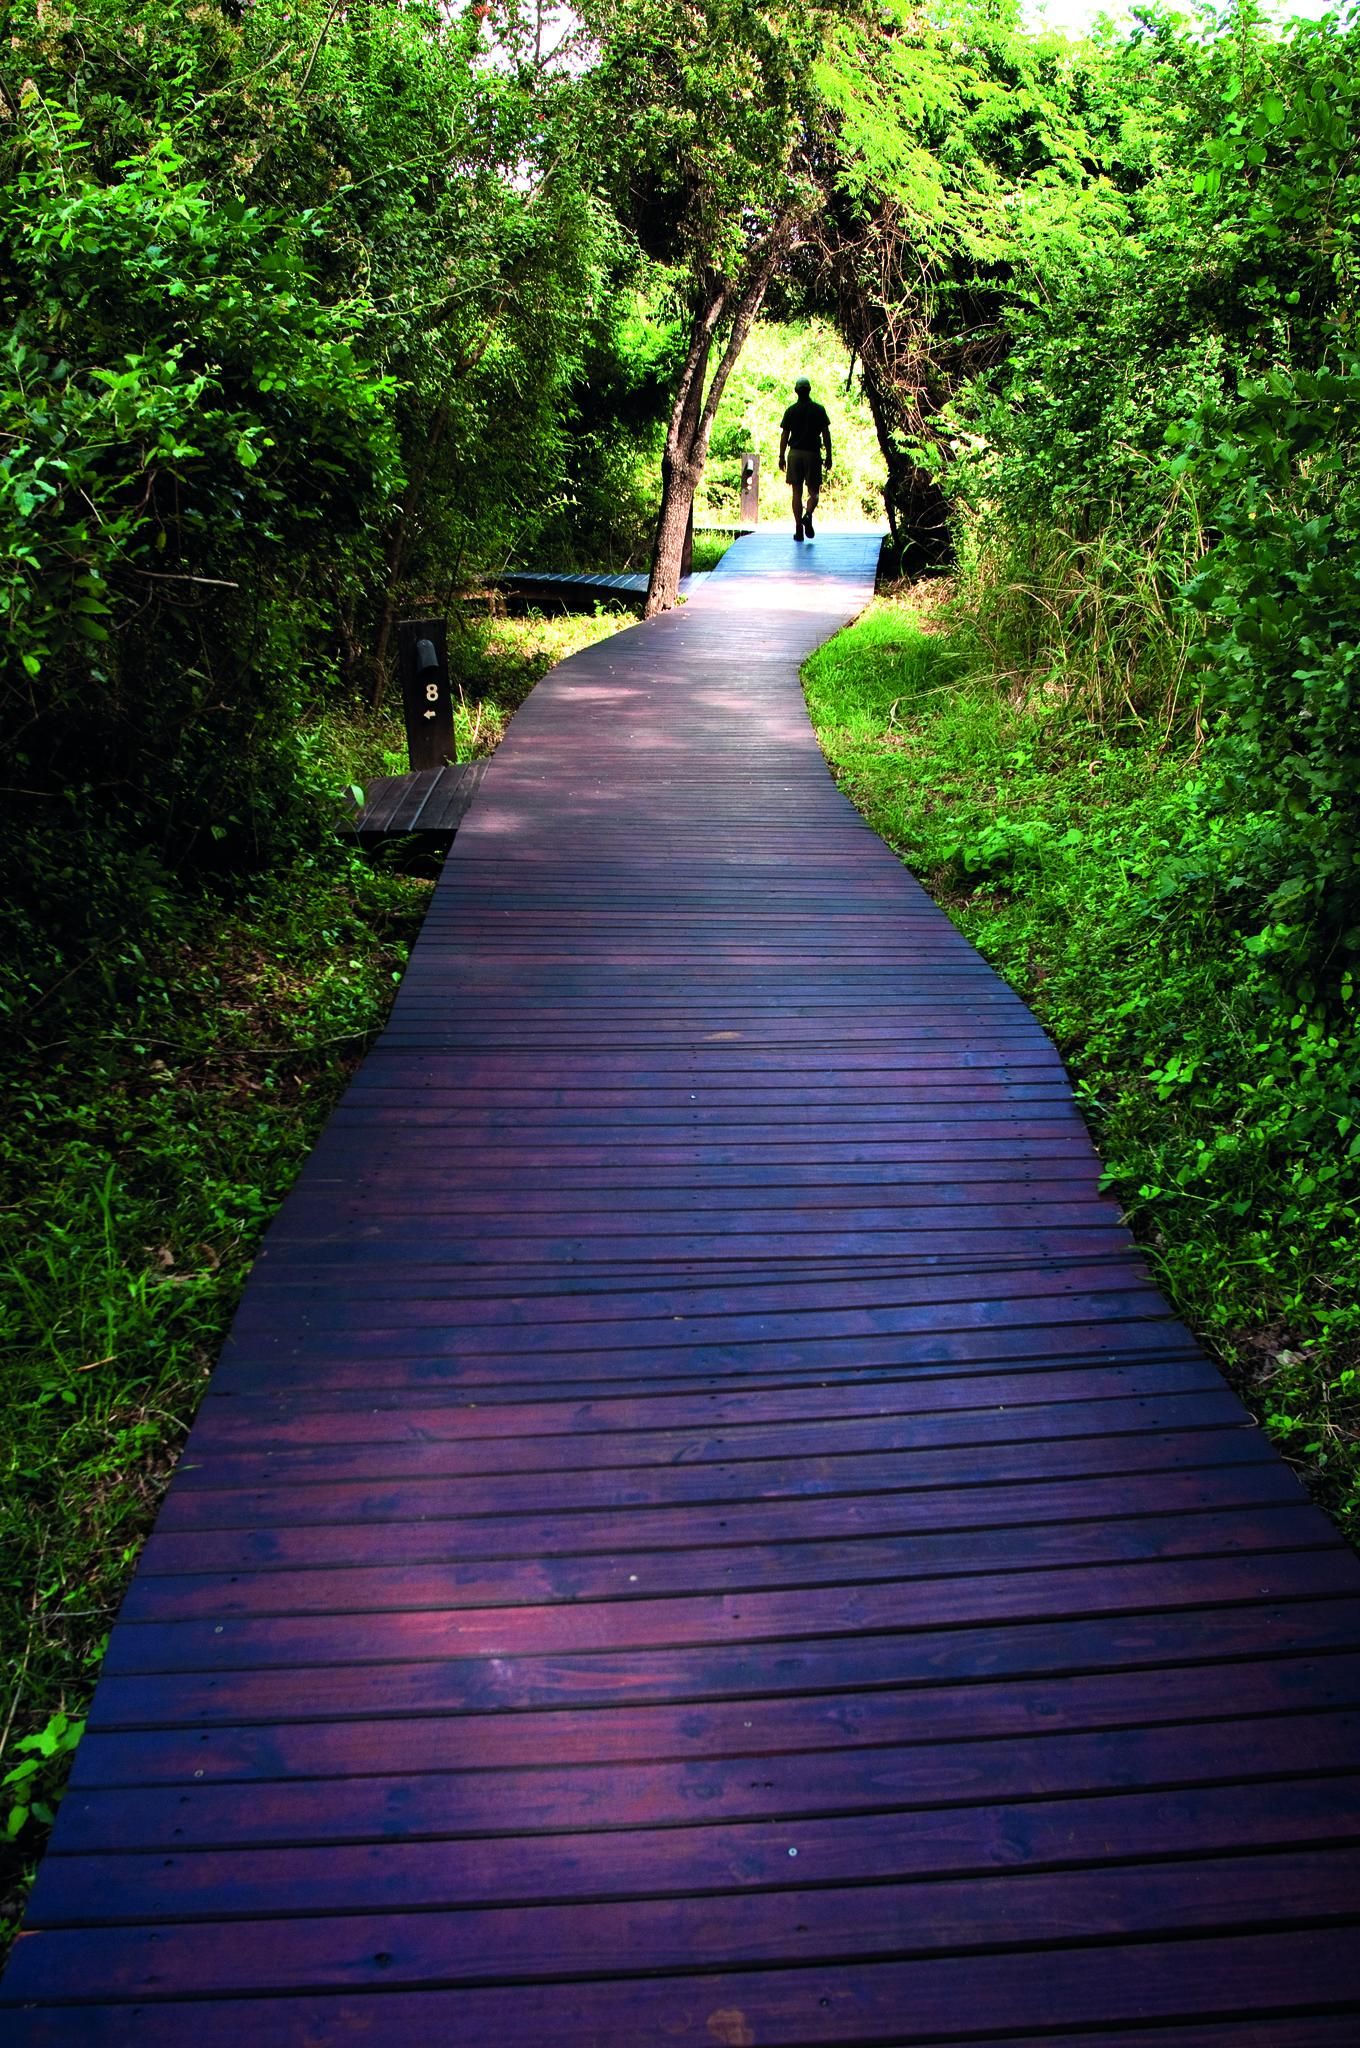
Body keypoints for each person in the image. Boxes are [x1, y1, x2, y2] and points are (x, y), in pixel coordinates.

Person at [778, 377, 833, 541]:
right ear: (809, 390)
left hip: (794, 454)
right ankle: (808, 515)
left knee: (796, 492)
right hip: (812, 454)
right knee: (814, 493)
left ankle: (798, 529)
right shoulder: (819, 410)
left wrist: (781, 456)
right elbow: (826, 434)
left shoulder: (791, 411)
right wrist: (829, 455)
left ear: (796, 391)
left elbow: (784, 435)